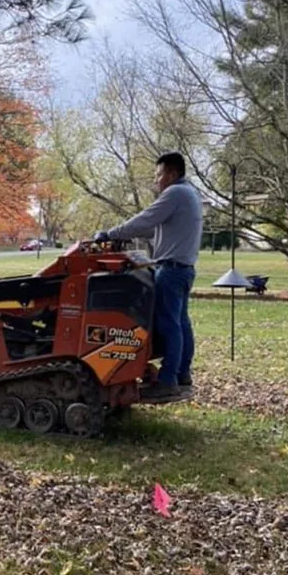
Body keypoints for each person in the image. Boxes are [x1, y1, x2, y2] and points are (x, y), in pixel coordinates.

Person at [94, 151, 203, 403]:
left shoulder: (175, 193)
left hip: (172, 269)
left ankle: (167, 381)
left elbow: (146, 218)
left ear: (172, 174)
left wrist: (109, 234)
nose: (157, 181)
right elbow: (154, 228)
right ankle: (182, 374)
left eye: (159, 175)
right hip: (185, 268)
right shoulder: (190, 194)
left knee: (169, 324)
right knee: (181, 322)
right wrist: (128, 236)